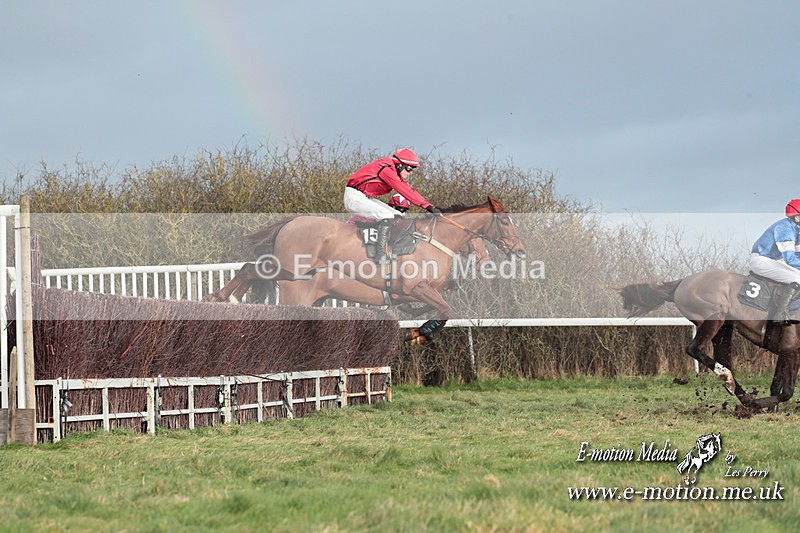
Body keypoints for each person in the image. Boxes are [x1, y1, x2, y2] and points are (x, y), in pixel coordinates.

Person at [344, 148, 442, 262]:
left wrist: (431, 206)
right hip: (354, 197)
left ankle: (391, 248)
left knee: (397, 215)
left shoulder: (392, 170)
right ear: (399, 165)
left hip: (364, 196)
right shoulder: (387, 170)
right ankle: (380, 255)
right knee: (388, 216)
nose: (410, 173)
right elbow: (404, 190)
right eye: (409, 169)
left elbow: (410, 189)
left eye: (412, 170)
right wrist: (427, 207)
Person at [749, 199, 800, 321]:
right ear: (797, 217)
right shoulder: (785, 229)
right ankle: (780, 314)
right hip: (761, 260)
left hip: (773, 261)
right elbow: (790, 259)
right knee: (798, 278)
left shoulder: (796, 229)